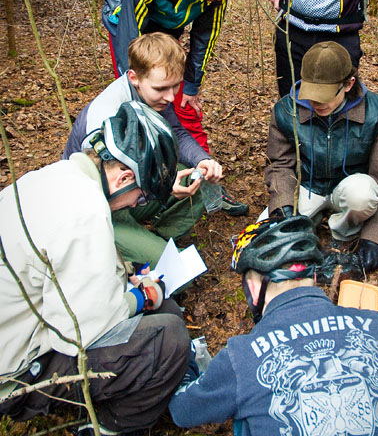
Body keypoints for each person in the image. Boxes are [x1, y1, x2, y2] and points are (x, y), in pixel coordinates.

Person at [0, 101, 191, 436]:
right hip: (14, 372)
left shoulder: (55, 177)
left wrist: (125, 280)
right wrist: (140, 296)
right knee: (170, 338)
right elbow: (80, 332)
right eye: (141, 196)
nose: (136, 204)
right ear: (124, 178)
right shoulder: (86, 211)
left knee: (163, 308)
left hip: (16, 329)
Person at [169, 216, 378, 436]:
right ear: (314, 276)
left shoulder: (241, 355)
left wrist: (186, 364)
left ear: (253, 288)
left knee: (243, 402)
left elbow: (182, 411)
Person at [103, 0, 261, 217]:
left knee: (184, 105)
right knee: (140, 105)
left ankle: (206, 182)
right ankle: (140, 189)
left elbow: (204, 38)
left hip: (167, 27)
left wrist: (190, 86)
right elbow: (128, 39)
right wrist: (137, 92)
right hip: (128, 21)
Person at [63, 32, 246, 267]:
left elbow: (175, 132)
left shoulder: (151, 94)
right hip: (97, 210)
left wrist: (202, 160)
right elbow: (103, 195)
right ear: (134, 77)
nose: (170, 97)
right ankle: (140, 250)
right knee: (171, 266)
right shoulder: (104, 120)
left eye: (176, 86)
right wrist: (163, 188)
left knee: (198, 177)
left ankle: (156, 238)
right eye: (161, 88)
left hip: (129, 191)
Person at [262, 41, 378, 273]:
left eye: (325, 95)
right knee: (269, 238)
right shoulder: (286, 110)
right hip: (306, 186)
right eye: (312, 94)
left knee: (362, 194)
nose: (317, 103)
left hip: (349, 189)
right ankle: (308, 222)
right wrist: (283, 208)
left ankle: (344, 233)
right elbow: (279, 165)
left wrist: (373, 238)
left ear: (348, 84)